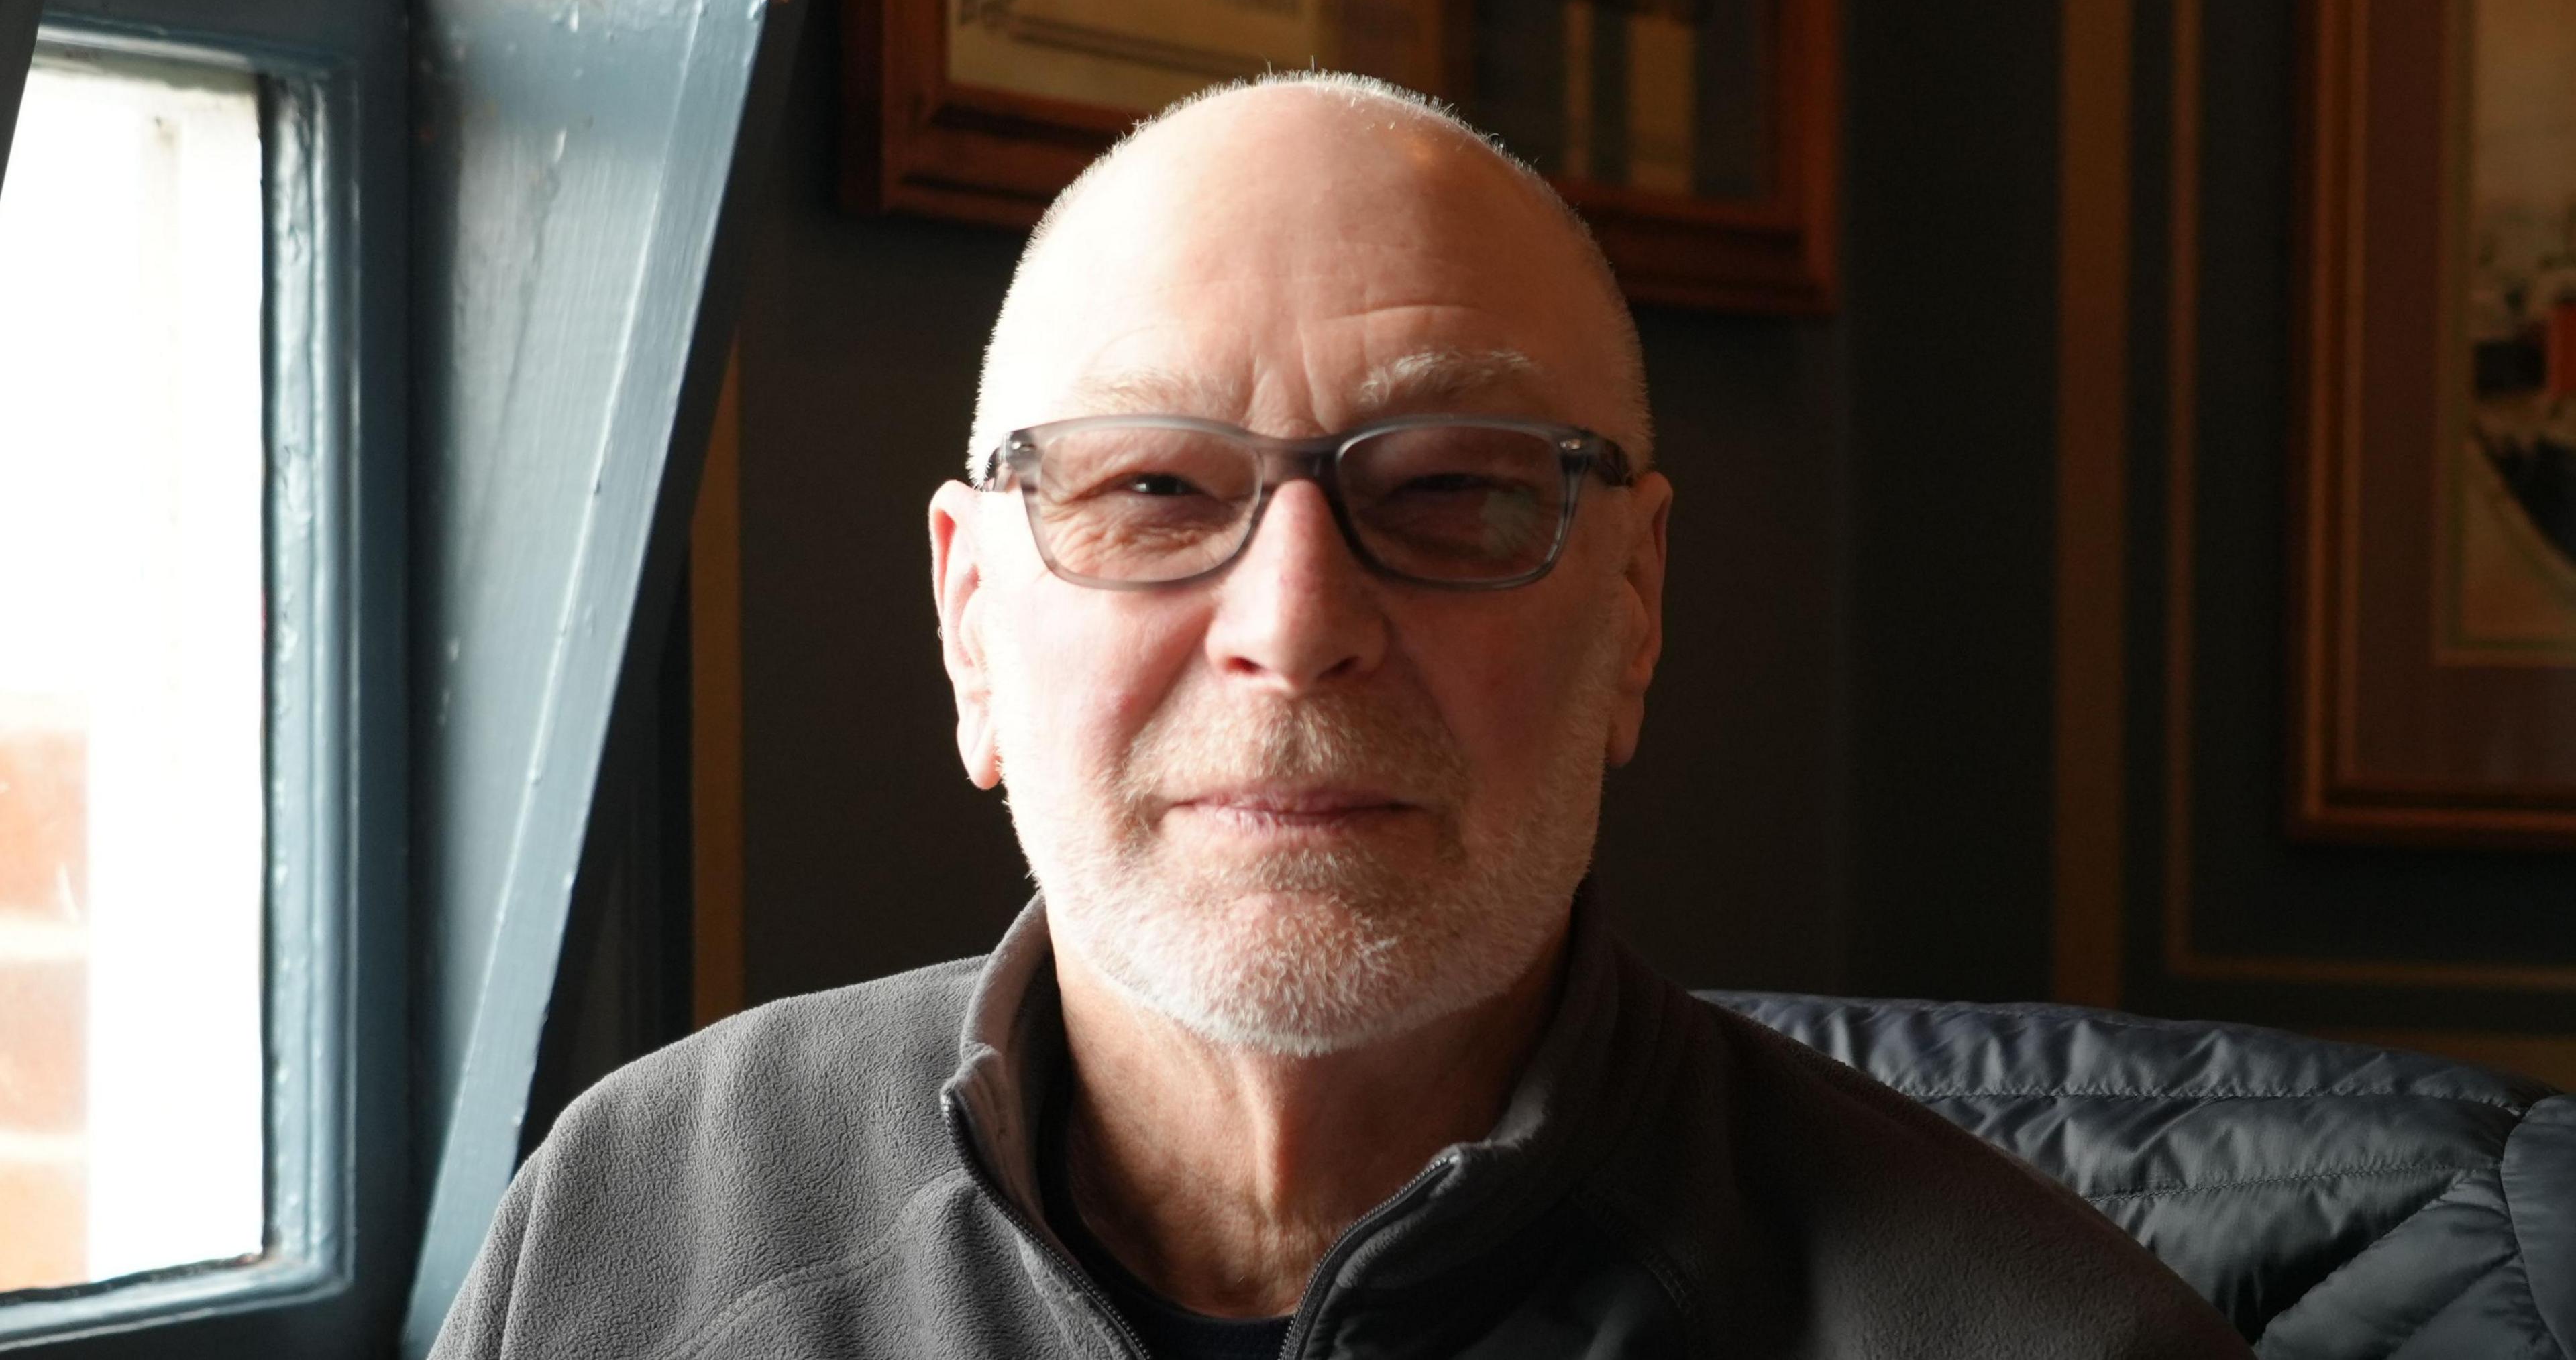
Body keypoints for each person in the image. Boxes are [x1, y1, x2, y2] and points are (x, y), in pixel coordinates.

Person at [427, 72, 2252, 1359]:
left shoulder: (2057, 1341)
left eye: (1455, 491)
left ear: (1634, 610)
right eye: (1150, 491)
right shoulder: (636, 1230)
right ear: (971, 624)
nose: (1295, 630)